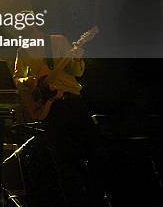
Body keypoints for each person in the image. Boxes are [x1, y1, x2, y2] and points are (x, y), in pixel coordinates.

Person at [13, 25, 109, 207]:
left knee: (96, 152)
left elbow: (77, 72)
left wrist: (77, 58)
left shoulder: (57, 41)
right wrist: (30, 81)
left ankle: (97, 198)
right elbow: (17, 78)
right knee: (64, 163)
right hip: (50, 108)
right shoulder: (22, 51)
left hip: (73, 101)